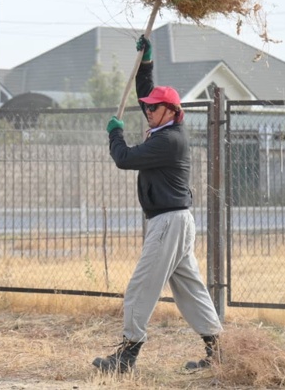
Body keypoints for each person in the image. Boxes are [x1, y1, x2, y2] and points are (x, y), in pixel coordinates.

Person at [92, 34, 223, 374]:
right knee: (190, 290)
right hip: (174, 221)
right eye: (147, 106)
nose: (147, 109)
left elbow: (123, 158)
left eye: (153, 107)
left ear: (170, 110)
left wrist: (114, 134)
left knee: (141, 286)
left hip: (168, 223)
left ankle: (127, 357)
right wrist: (146, 61)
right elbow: (145, 90)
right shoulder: (162, 127)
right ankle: (219, 350)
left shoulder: (169, 141)